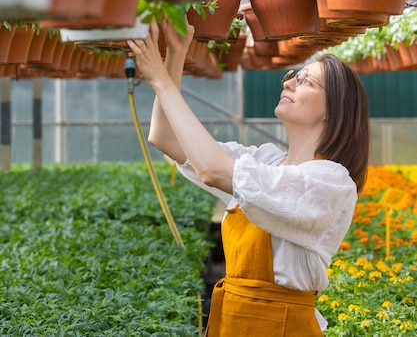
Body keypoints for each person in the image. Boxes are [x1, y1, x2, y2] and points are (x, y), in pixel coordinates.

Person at [127, 18, 370, 337]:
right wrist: (177, 52)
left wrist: (161, 82)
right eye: (293, 76)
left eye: (306, 82)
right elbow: (166, 138)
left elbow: (212, 170)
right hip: (232, 320)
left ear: (335, 110)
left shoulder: (329, 181)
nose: (289, 83)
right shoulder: (265, 160)